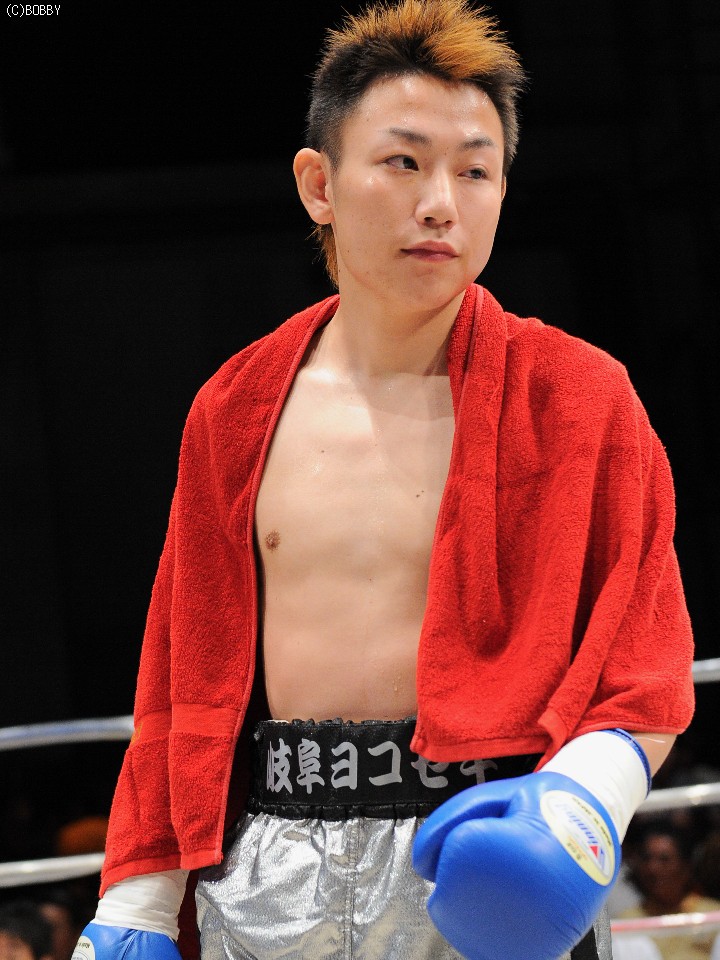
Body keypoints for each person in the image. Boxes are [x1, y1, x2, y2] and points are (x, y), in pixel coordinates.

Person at [72, 2, 695, 959]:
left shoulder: (578, 398)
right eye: (404, 161)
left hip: (484, 851)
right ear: (319, 184)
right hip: (268, 862)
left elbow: (643, 666)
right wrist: (139, 903)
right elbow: (182, 673)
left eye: (475, 170)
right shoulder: (233, 408)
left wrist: (578, 804)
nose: (441, 202)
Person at [619, 823, 720, 960]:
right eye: (647, 858)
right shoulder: (626, 921)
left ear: (686, 866)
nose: (652, 868)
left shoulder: (713, 914)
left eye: (664, 860)